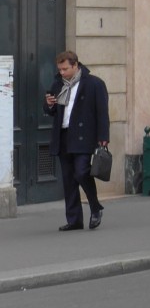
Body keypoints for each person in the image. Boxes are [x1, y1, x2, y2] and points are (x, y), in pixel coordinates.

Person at [43, 50, 109, 231]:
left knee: (81, 172)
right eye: (60, 69)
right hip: (63, 135)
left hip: (84, 136)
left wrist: (103, 137)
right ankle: (74, 220)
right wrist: (49, 104)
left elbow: (102, 113)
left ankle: (95, 207)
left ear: (75, 65)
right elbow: (51, 110)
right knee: (68, 179)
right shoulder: (58, 84)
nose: (61, 73)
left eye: (65, 69)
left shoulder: (94, 84)